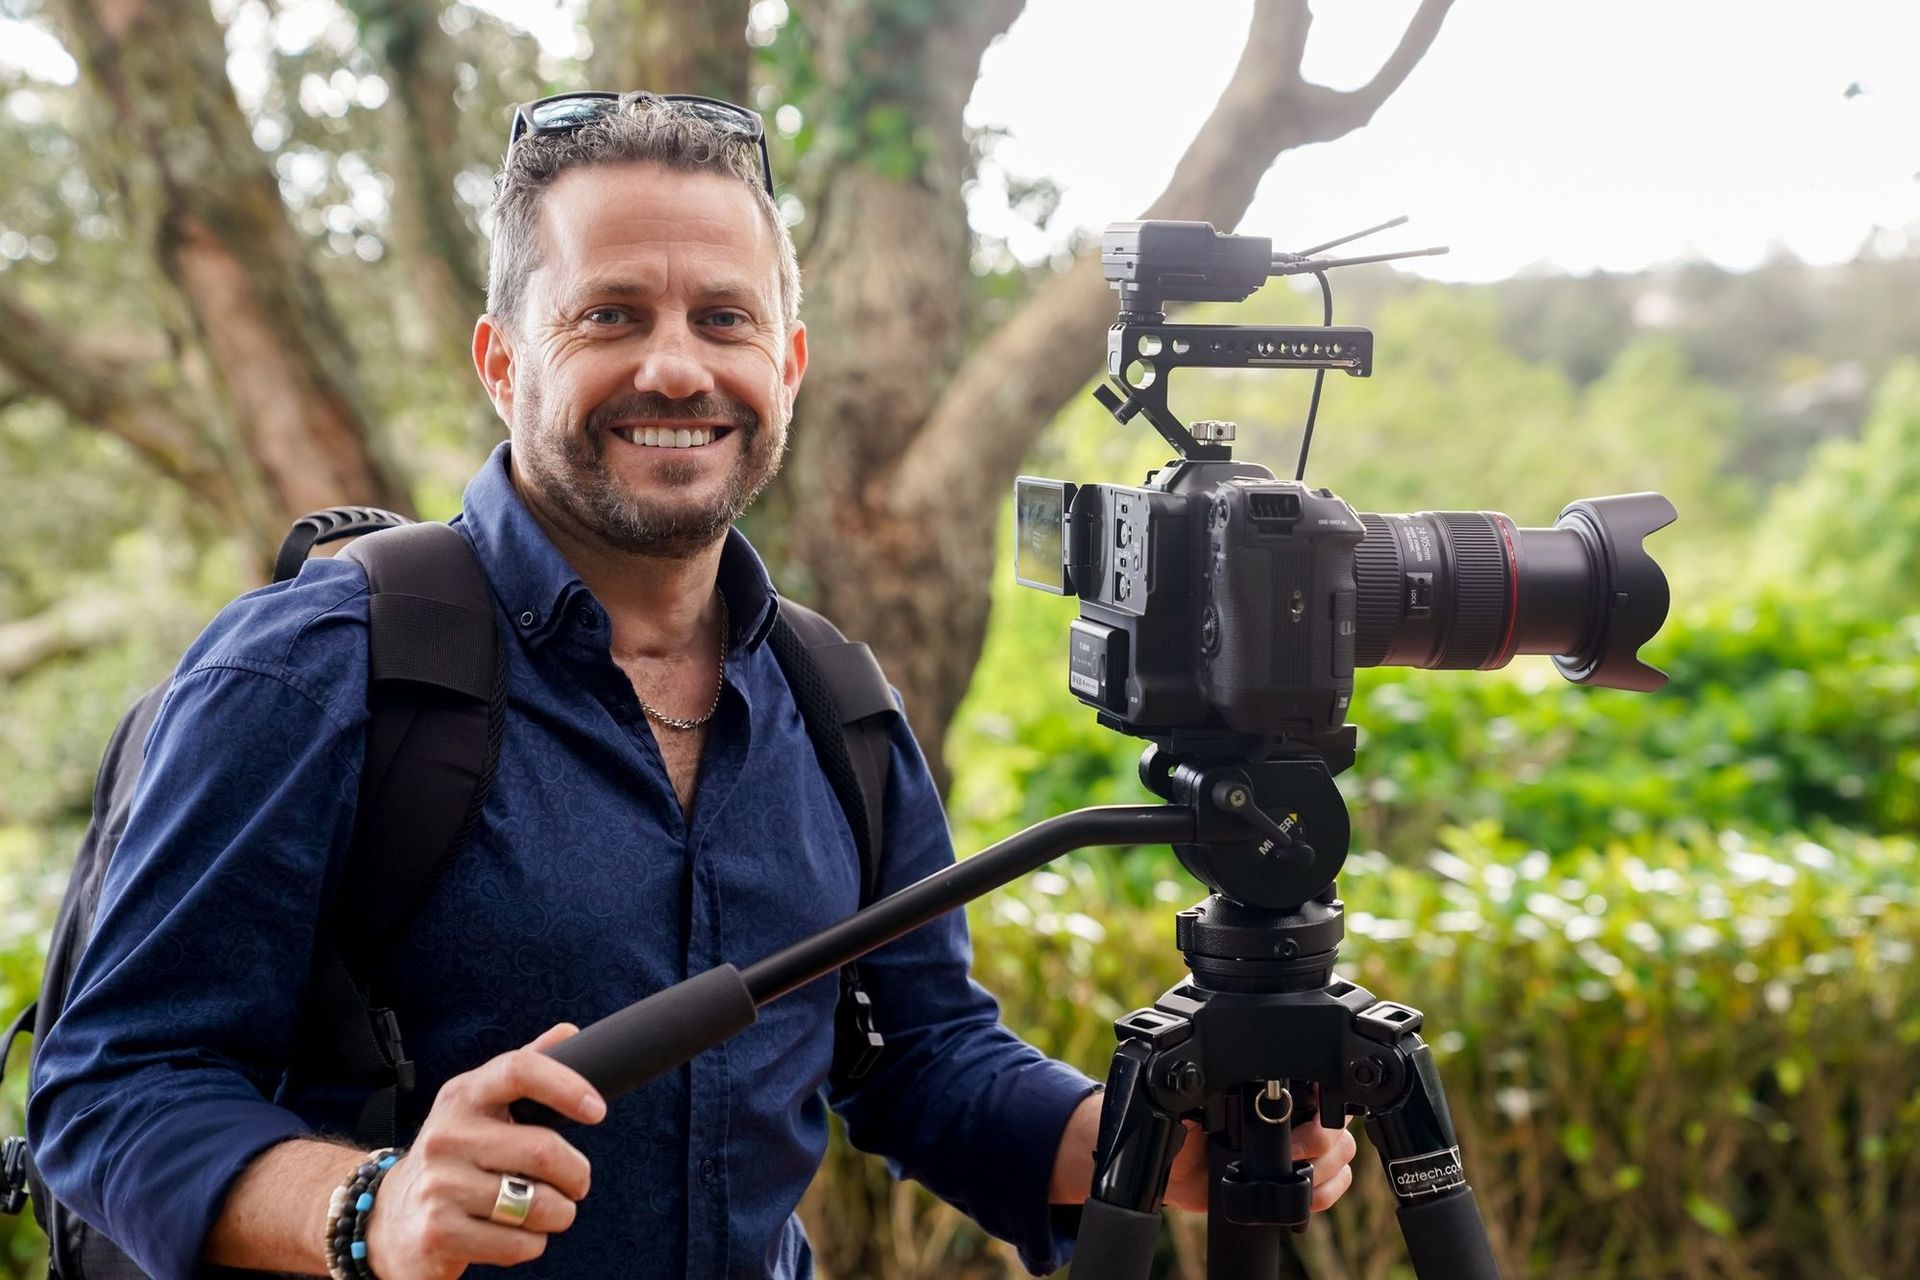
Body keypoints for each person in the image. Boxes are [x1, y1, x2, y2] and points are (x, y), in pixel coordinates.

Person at [27, 92, 1356, 1279]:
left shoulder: (836, 698)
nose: (676, 367)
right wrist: (368, 1205)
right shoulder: (310, 669)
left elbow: (925, 1056)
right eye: (610, 315)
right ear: (501, 361)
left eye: (724, 318)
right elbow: (111, 1091)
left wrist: (1136, 1140)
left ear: (787, 362)